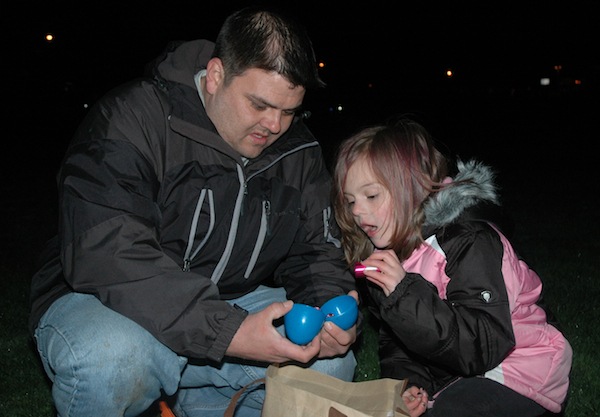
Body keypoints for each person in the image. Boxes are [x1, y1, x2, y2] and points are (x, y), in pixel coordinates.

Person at [29, 6, 359, 417]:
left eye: (289, 111)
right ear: (217, 75)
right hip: (107, 301)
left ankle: (190, 404)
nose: (275, 125)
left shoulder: (299, 152)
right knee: (113, 358)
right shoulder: (133, 117)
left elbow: (315, 253)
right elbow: (107, 252)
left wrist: (328, 313)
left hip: (229, 300)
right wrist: (227, 331)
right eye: (259, 104)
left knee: (328, 365)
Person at [331, 117, 572, 417]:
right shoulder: (387, 252)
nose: (357, 211)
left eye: (371, 195)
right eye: (350, 200)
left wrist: (404, 295)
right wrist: (410, 385)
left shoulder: (470, 242)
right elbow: (396, 341)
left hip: (520, 371)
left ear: (412, 186)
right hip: (457, 376)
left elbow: (483, 345)